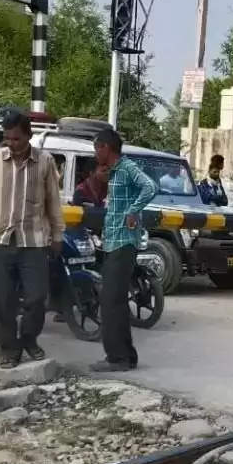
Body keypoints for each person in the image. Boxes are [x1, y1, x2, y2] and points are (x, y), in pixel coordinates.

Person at [0, 111, 66, 369]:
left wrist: (57, 235)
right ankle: (9, 349)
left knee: (37, 297)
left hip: (34, 241)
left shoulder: (45, 162)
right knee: (1, 298)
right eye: (7, 138)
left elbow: (54, 202)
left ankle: (29, 339)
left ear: (29, 136)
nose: (11, 143)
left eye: (17, 139)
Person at [88, 129, 158, 372]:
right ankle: (126, 356)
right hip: (112, 242)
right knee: (113, 301)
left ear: (106, 147)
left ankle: (118, 358)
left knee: (111, 301)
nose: (96, 153)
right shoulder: (114, 172)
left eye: (97, 148)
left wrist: (133, 211)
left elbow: (150, 187)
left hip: (123, 243)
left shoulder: (127, 167)